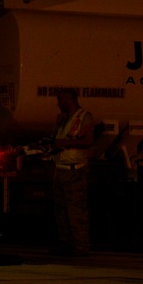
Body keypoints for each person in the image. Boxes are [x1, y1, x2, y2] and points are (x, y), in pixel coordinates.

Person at [49, 87, 95, 257]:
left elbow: (89, 140)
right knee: (61, 210)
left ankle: (81, 247)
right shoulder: (64, 120)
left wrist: (65, 144)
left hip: (75, 170)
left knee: (76, 211)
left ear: (68, 100)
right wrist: (57, 125)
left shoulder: (84, 117)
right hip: (60, 170)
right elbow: (55, 141)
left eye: (60, 100)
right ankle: (66, 244)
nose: (58, 104)